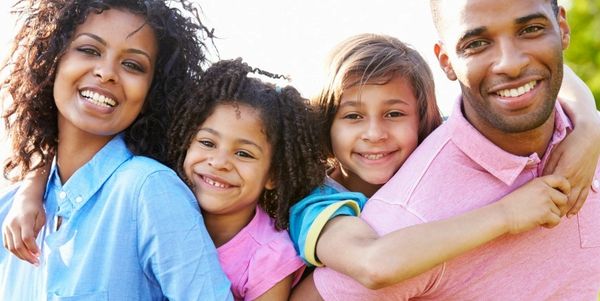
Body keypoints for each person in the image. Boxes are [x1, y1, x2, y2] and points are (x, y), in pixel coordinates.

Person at [301, 0, 600, 299]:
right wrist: (506, 215)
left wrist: (589, 127)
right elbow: (373, 264)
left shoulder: (580, 137)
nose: (375, 134)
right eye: (477, 43)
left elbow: (556, 77)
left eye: (531, 29)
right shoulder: (334, 209)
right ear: (446, 61)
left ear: (562, 28)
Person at [0, 0, 232, 300]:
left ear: (153, 89)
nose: (107, 72)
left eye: (133, 65)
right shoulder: (11, 207)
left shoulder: (149, 190)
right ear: (52, 59)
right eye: (89, 50)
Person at [165, 58, 325, 300]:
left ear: (273, 175)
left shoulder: (269, 257)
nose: (219, 162)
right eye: (207, 143)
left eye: (243, 153)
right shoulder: (161, 208)